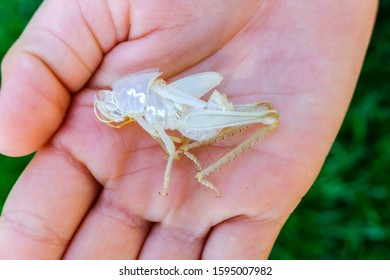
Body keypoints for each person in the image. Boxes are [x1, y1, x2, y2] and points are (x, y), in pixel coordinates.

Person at [0, 0, 377, 259]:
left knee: (218, 135)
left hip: (194, 120)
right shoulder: (140, 101)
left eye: (116, 105)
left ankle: (210, 166)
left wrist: (168, 176)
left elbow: (168, 145)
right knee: (179, 145)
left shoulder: (148, 105)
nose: (116, 110)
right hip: (184, 117)